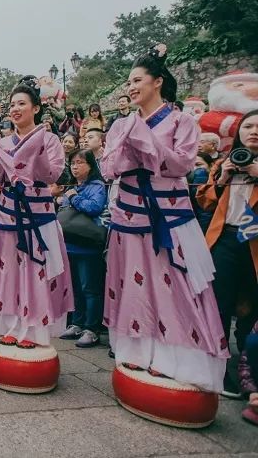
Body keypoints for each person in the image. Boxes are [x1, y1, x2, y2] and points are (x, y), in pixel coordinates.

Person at [102, 44, 227, 392]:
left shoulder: (181, 121)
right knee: (131, 282)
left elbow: (183, 165)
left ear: (158, 82)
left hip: (168, 214)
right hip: (128, 213)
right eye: (128, 81)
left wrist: (146, 145)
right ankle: (137, 350)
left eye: (137, 79)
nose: (130, 87)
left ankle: (176, 358)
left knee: (172, 286)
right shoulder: (121, 125)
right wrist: (129, 149)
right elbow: (108, 168)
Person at [0, 77, 73, 347]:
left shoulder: (49, 139)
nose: (15, 109)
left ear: (36, 108)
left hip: (37, 209)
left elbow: (53, 174)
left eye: (21, 103)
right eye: (12, 104)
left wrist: (31, 154)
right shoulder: (3, 140)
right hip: (7, 209)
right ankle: (11, 323)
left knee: (35, 269)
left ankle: (34, 328)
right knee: (8, 269)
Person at [197, 109, 258, 396]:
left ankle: (249, 369)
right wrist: (222, 177)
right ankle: (219, 369)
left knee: (251, 308)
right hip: (226, 239)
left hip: (255, 243)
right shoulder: (225, 162)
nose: (254, 131)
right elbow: (205, 201)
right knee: (218, 303)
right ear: (238, 133)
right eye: (248, 126)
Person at [58, 149, 107, 348]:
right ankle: (77, 323)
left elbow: (94, 208)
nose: (75, 166)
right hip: (70, 244)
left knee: (90, 287)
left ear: (90, 165)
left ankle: (92, 328)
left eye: (80, 162)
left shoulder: (97, 186)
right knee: (77, 287)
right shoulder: (74, 186)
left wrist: (73, 197)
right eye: (73, 163)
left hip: (87, 245)